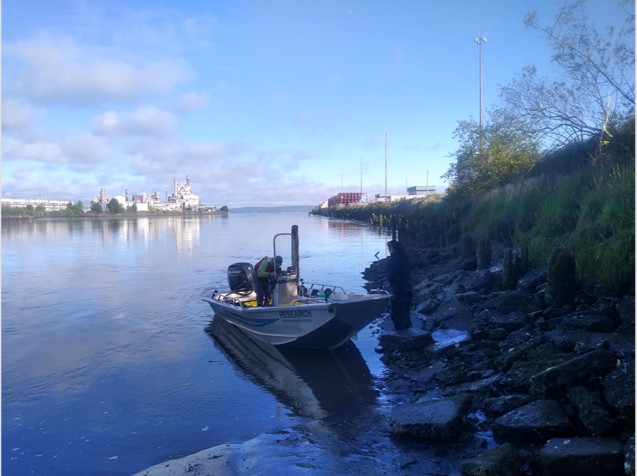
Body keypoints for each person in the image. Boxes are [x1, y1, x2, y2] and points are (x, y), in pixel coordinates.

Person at [386, 240, 413, 330]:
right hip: (408, 288)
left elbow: (392, 274)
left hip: (399, 290)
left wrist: (386, 284)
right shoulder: (405, 257)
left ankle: (400, 333)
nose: (389, 250)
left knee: (397, 313)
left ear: (392, 248)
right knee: (405, 312)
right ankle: (408, 330)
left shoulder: (394, 258)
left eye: (388, 248)